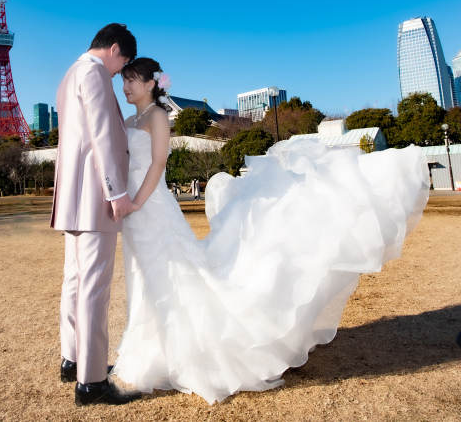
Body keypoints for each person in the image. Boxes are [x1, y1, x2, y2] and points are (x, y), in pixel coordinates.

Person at [109, 57, 430, 404]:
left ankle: (193, 353)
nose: (125, 87)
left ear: (151, 84)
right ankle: (151, 351)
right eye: (124, 81)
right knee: (145, 279)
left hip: (151, 207)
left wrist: (137, 202)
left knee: (172, 275)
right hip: (134, 213)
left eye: (131, 81)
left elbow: (158, 163)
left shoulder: (158, 116)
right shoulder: (129, 119)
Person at [51, 23, 141, 407]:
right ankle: (91, 381)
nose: (121, 71)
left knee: (74, 279)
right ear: (115, 48)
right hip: (94, 196)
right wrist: (116, 190)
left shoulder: (70, 73)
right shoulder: (94, 73)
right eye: (124, 63)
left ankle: (73, 359)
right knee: (94, 287)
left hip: (72, 195)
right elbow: (102, 132)